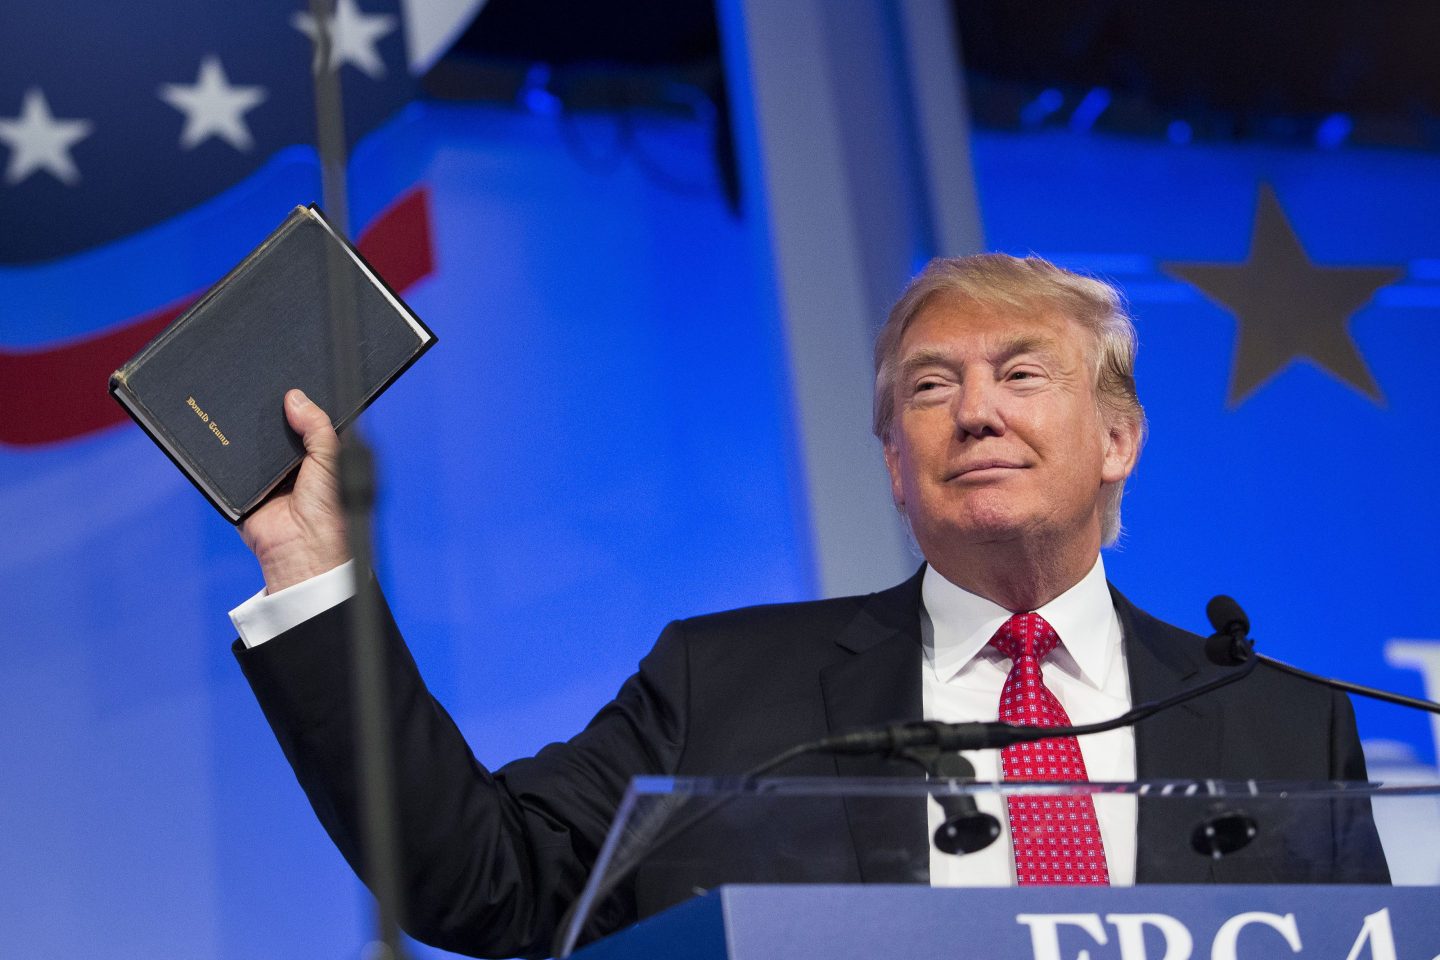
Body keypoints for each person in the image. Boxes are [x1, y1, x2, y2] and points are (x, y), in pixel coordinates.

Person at [231, 255, 1386, 959]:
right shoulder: (721, 688)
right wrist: (314, 572)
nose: (975, 412)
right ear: (895, 464)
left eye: (1022, 374)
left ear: (1121, 439)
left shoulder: (1281, 725)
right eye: (931, 388)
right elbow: (487, 880)